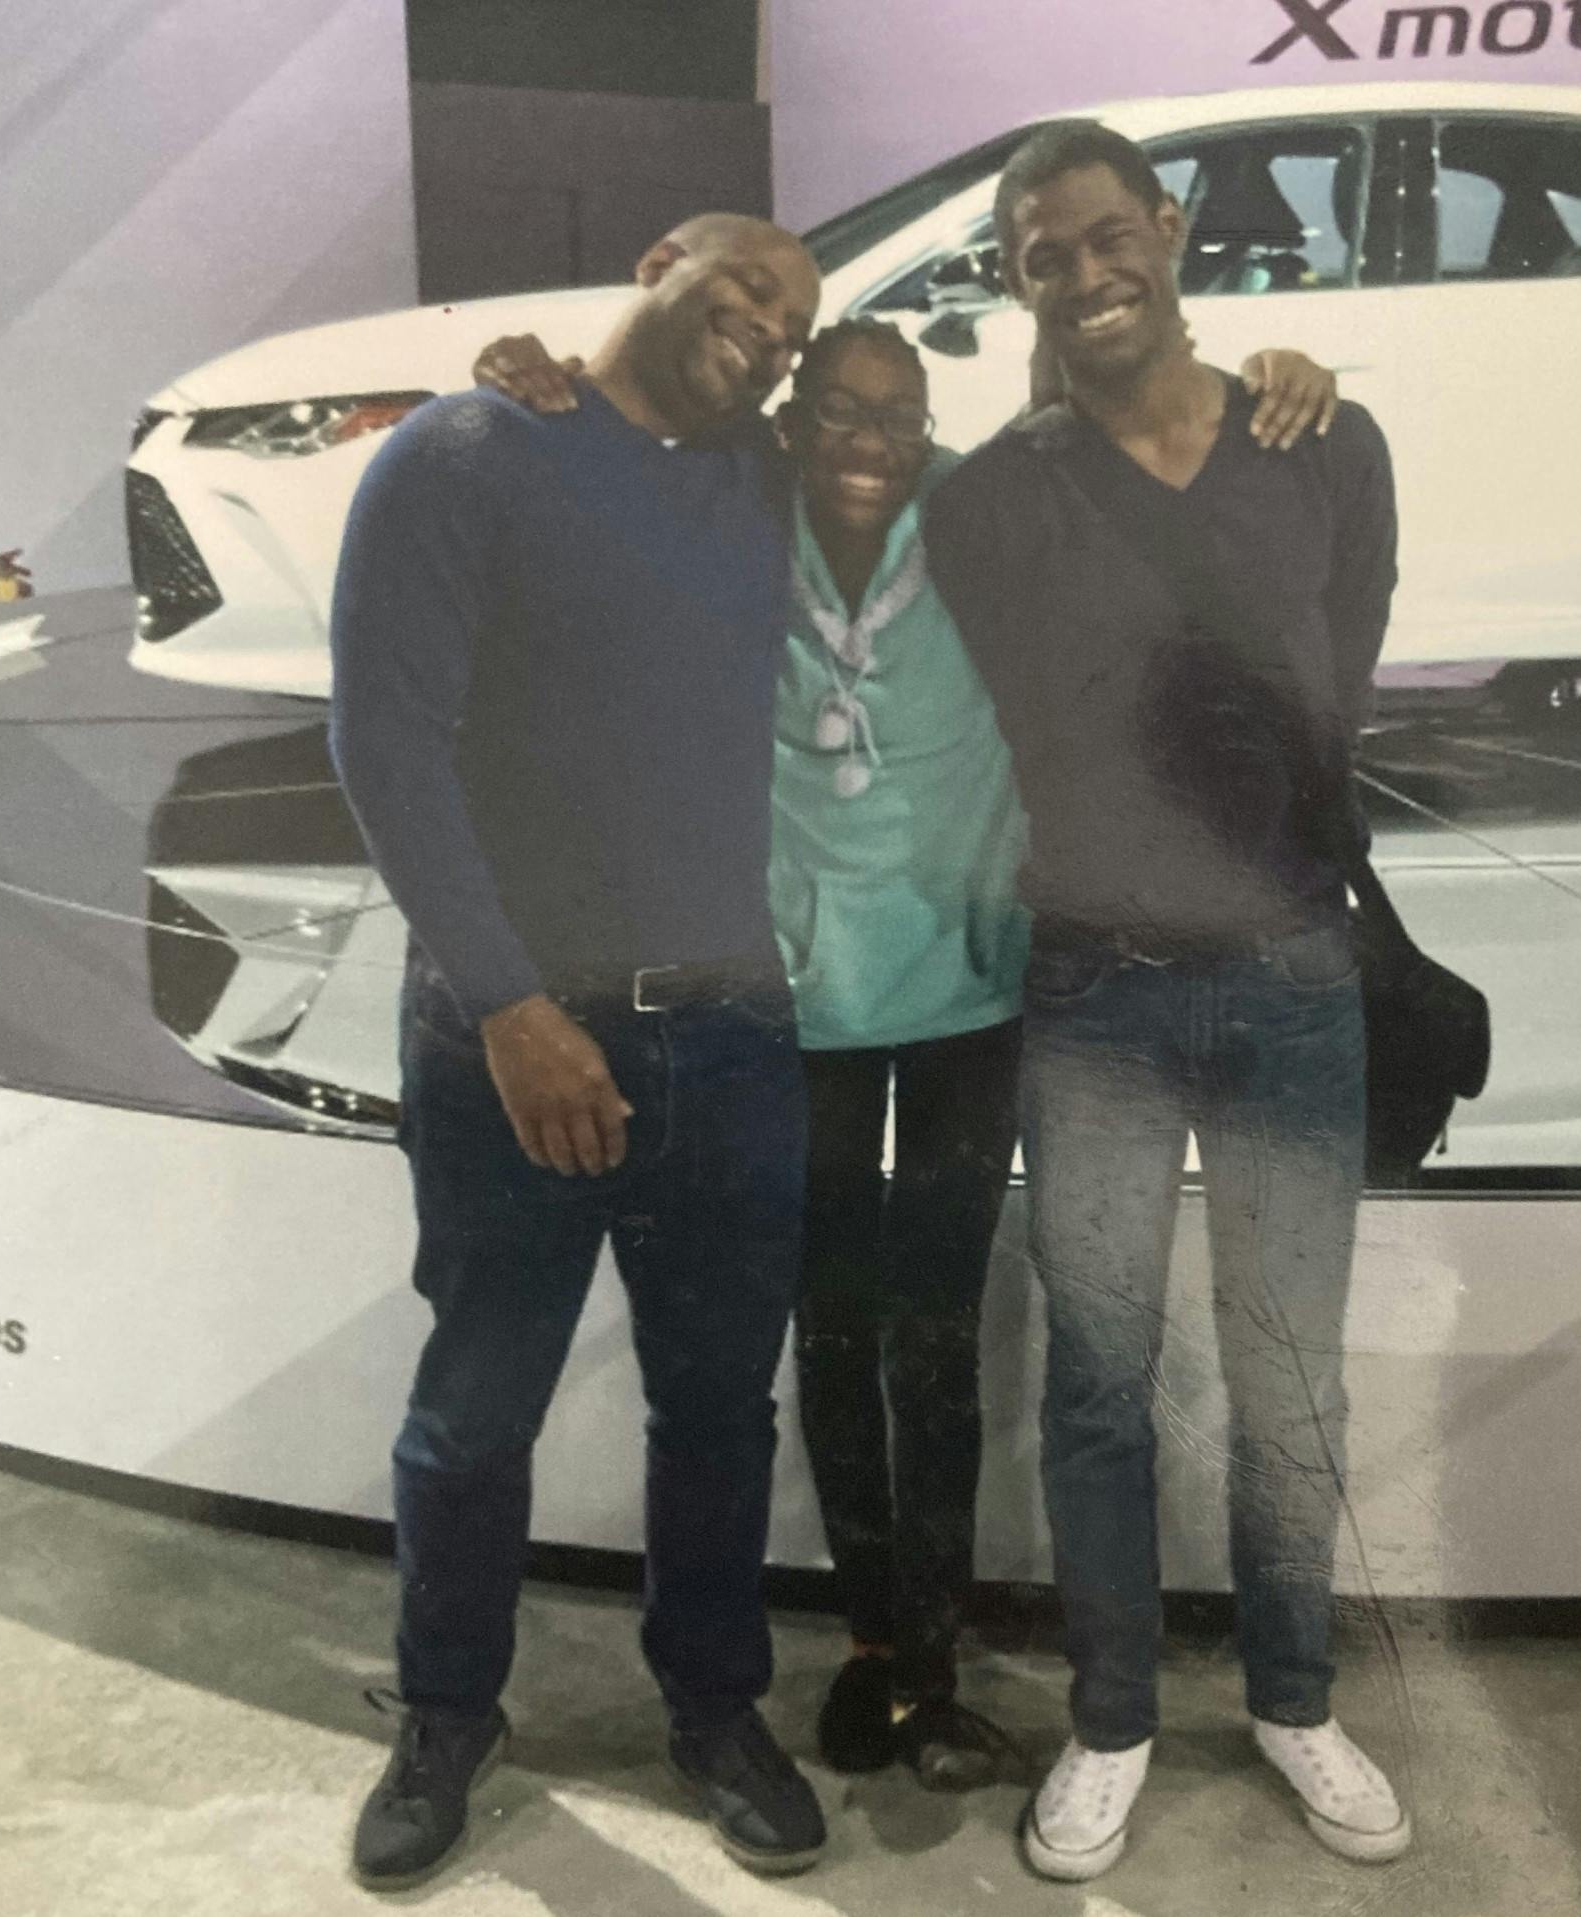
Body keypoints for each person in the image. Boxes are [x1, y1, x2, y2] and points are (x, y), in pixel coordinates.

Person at [474, 314, 1341, 1798]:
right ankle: (873, 1641)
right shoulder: (735, 505)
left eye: (899, 415)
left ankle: (934, 1666)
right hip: (793, 1002)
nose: (869, 441)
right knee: (831, 1328)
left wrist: (1278, 372)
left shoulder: (977, 506)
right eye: (840, 411)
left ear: (931, 424)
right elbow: (621, 450)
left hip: (966, 992)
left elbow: (1116, 457)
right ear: (794, 419)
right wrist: (527, 379)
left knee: (933, 1340)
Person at [920, 120, 1407, 1881]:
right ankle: (1113, 1717)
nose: (1085, 273)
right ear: (1016, 282)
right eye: (1042, 257)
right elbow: (995, 712)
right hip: (1096, 998)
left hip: (1292, 978)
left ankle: (1295, 1699)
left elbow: (1344, 663)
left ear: (1171, 229)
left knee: (1291, 1383)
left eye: (1107, 235)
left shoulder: (1323, 440)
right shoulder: (986, 499)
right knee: (1100, 1382)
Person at [327, 212, 833, 1890]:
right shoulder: (464, 453)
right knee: (475, 1411)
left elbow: (920, 464)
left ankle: (714, 1706)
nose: (767, 329)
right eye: (748, 286)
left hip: (732, 1031)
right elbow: (384, 739)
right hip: (514, 1037)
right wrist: (511, 1003)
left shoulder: (762, 480)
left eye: (791, 326)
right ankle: (446, 1714)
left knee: (719, 1410)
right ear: (660, 256)